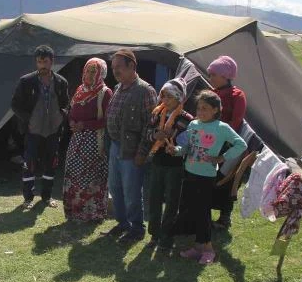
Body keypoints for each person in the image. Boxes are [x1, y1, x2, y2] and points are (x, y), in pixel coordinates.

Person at [170, 91, 246, 264]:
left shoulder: (221, 128)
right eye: (198, 108)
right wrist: (176, 151)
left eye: (205, 108)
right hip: (189, 172)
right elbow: (187, 148)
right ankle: (197, 247)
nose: (200, 111)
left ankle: (208, 250)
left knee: (203, 212)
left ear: (215, 110)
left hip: (206, 177)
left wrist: (221, 158)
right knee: (193, 210)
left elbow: (241, 144)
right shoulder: (193, 125)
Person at [103, 49, 157, 242]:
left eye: (119, 67)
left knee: (131, 190)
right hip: (116, 146)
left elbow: (151, 125)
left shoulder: (146, 90)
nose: (115, 71)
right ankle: (122, 223)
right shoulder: (118, 87)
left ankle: (136, 228)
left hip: (132, 150)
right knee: (115, 188)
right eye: (113, 67)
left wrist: (142, 153)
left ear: (132, 66)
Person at [10, 45, 70, 209]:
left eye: (45, 61)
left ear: (52, 62)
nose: (42, 65)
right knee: (29, 165)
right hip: (33, 130)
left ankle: (46, 197)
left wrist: (62, 116)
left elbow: (66, 104)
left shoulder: (60, 82)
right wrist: (28, 120)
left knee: (51, 164)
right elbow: (15, 105)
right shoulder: (26, 81)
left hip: (53, 131)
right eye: (38, 62)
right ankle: (28, 198)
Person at [138, 78, 193, 252]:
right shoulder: (156, 113)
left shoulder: (186, 119)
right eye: (163, 95)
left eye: (169, 96)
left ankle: (167, 236)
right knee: (154, 197)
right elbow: (146, 133)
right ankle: (154, 233)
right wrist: (156, 135)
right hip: (157, 162)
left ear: (179, 98)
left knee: (171, 201)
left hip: (175, 165)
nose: (165, 100)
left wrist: (175, 147)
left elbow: (188, 144)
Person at [62, 57, 113, 222]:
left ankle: (92, 214)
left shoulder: (105, 93)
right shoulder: (79, 90)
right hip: (76, 140)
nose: (89, 74)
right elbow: (71, 111)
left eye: (93, 71)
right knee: (74, 175)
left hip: (93, 141)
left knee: (91, 177)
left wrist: (84, 125)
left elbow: (107, 120)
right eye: (87, 70)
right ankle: (74, 212)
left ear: (101, 73)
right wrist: (71, 122)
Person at [207, 55, 247, 229]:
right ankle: (204, 214)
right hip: (209, 143)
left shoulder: (237, 95)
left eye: (213, 74)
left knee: (226, 180)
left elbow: (236, 122)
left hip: (228, 146)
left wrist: (218, 134)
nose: (210, 78)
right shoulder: (211, 94)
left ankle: (225, 218)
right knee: (207, 180)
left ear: (225, 76)